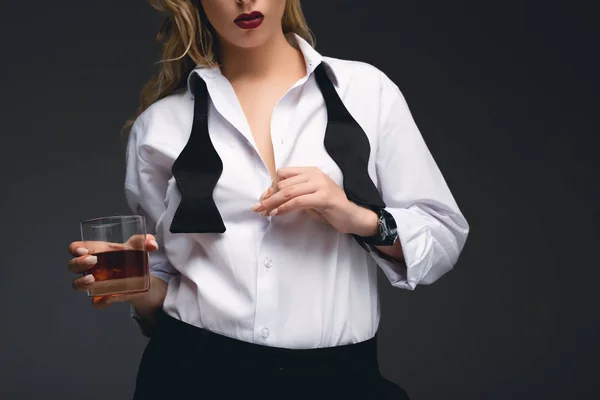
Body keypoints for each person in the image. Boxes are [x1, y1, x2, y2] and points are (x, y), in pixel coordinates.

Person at [67, 0, 469, 398]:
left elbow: (443, 238)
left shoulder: (367, 92)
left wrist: (355, 216)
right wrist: (135, 283)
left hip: (340, 381)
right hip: (190, 375)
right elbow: (167, 284)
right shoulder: (159, 126)